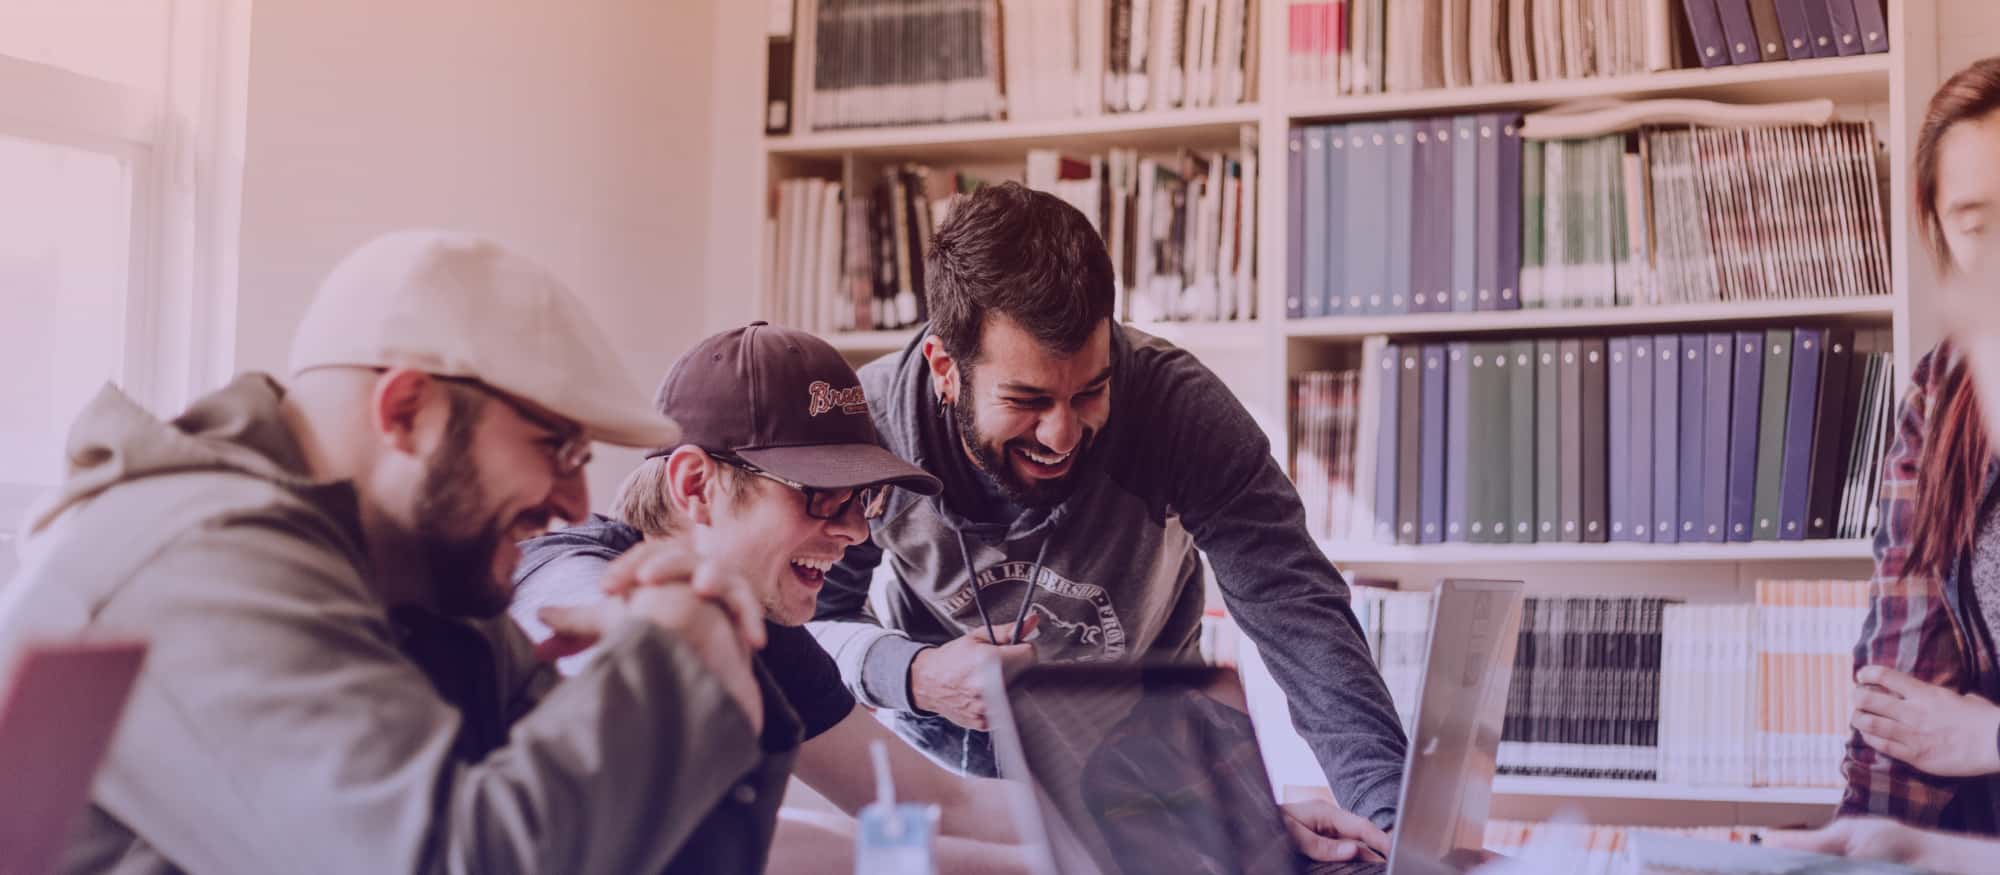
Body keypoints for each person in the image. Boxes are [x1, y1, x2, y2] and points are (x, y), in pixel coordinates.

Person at [0, 230, 783, 873]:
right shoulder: (199, 560)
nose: (578, 503)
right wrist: (670, 662)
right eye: (558, 446)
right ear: (406, 409)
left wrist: (717, 662)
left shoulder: (419, 583)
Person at [808, 181, 1410, 831]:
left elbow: (1301, 616)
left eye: (1090, 391)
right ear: (945, 368)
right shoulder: (869, 433)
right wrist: (916, 674)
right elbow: (811, 625)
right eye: (1027, 400)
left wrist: (1391, 824)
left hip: (1150, 771)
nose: (1062, 434)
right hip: (946, 782)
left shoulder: (1179, 410)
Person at [510, 322, 1028, 874]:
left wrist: (1113, 819)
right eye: (823, 496)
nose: (856, 531)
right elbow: (698, 841)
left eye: (864, 497)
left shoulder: (759, 623)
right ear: (695, 485)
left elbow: (941, 803)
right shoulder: (568, 575)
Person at [1841, 55, 2000, 834]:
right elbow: (1898, 688)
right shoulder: (1943, 392)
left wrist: (1987, 736)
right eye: (1978, 225)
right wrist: (1860, 842)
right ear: (1938, 231)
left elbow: (1962, 734)